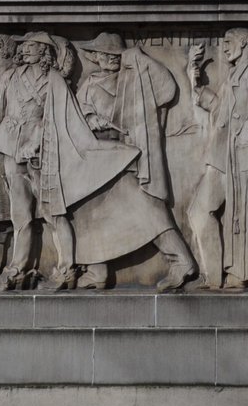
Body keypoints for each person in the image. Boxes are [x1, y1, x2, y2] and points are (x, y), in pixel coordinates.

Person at [0, 32, 136, 291]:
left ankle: (67, 269)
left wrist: (36, 143)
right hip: (10, 148)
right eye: (24, 45)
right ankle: (17, 268)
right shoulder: (12, 76)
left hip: (44, 153)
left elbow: (65, 119)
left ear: (44, 51)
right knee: (20, 215)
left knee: (53, 213)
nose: (25, 49)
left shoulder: (54, 80)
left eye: (32, 46)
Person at [69, 31, 197, 291]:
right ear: (95, 57)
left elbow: (167, 90)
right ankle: (97, 269)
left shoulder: (136, 77)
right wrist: (91, 120)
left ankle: (181, 260)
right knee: (89, 211)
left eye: (115, 54)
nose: (109, 59)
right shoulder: (90, 84)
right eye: (104, 54)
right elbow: (77, 116)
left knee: (147, 209)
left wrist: (137, 56)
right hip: (98, 157)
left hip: (129, 156)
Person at [185, 28, 248, 289]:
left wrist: (243, 136)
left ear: (246, 42)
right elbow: (219, 107)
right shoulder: (236, 74)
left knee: (208, 212)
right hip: (221, 156)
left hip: (237, 159)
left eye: (229, 42)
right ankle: (214, 276)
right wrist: (194, 80)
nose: (224, 47)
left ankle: (230, 275)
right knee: (198, 212)